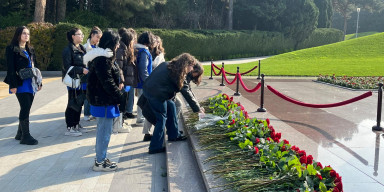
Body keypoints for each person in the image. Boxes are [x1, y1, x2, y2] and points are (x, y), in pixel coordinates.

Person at [142, 53, 205, 154]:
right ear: (186, 65)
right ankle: (155, 147)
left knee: (171, 106)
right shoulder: (178, 73)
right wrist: (197, 109)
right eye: (192, 66)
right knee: (161, 118)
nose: (192, 68)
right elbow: (186, 92)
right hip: (155, 94)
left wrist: (197, 106)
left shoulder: (170, 66)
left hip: (152, 90)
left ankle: (174, 135)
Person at [85, 29, 127, 171]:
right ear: (111, 43)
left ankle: (101, 158)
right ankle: (99, 162)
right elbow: (107, 82)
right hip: (103, 101)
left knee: (104, 131)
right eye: (116, 43)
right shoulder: (102, 59)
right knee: (104, 132)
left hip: (105, 100)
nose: (118, 46)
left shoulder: (104, 56)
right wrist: (120, 96)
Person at [4, 26, 42, 145]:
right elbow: (10, 68)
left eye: (28, 34)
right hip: (20, 83)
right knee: (25, 107)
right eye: (24, 33)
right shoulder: (12, 49)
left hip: (31, 82)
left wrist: (39, 82)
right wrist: (12, 85)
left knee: (26, 107)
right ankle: (26, 136)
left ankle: (19, 133)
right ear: (18, 35)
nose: (26, 35)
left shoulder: (30, 48)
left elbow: (35, 67)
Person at [62, 28, 87, 136]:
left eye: (82, 34)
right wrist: (81, 70)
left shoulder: (81, 48)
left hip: (82, 80)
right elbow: (67, 67)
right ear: (73, 36)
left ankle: (76, 124)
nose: (82, 36)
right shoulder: (68, 49)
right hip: (73, 81)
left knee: (80, 102)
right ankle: (70, 127)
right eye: (79, 34)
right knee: (72, 102)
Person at [142, 35, 166, 141]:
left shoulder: (159, 53)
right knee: (149, 108)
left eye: (157, 40)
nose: (155, 42)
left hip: (157, 82)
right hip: (152, 83)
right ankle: (147, 133)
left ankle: (149, 132)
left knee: (151, 108)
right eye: (154, 40)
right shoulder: (148, 52)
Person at [114, 30, 138, 133]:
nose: (133, 42)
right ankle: (117, 125)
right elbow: (119, 67)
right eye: (132, 40)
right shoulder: (121, 50)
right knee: (121, 103)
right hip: (122, 82)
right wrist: (121, 81)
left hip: (126, 81)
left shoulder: (126, 49)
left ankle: (121, 122)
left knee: (124, 102)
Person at [82, 26, 102, 121]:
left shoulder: (98, 47)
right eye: (97, 37)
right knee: (88, 94)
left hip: (97, 74)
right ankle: (86, 114)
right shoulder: (85, 47)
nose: (98, 39)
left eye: (100, 38)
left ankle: (93, 113)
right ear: (92, 35)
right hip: (88, 74)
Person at [135, 31, 155, 126]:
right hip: (144, 82)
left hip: (141, 81)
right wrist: (147, 81)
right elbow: (143, 69)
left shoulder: (139, 50)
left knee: (141, 99)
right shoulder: (144, 52)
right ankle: (140, 118)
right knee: (143, 100)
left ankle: (140, 117)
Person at [123, 28, 138, 120]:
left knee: (130, 95)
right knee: (126, 95)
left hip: (131, 75)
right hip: (126, 76)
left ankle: (128, 111)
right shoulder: (125, 49)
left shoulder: (132, 49)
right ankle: (125, 112)